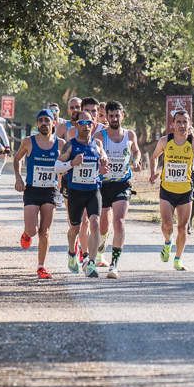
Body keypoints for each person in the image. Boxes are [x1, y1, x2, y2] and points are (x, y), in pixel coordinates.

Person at [149, 110, 194, 271]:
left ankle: (178, 259)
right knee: (167, 225)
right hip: (167, 190)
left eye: (185, 122)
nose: (182, 125)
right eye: (179, 122)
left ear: (189, 124)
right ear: (173, 124)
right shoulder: (165, 141)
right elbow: (154, 157)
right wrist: (153, 173)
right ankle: (168, 242)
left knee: (182, 228)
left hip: (185, 191)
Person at [54, 111, 109, 278]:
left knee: (95, 223)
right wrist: (72, 163)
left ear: (93, 125)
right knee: (75, 229)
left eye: (89, 123)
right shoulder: (70, 145)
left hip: (93, 190)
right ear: (76, 125)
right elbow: (57, 167)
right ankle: (72, 253)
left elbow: (103, 160)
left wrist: (103, 166)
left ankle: (91, 263)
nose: (86, 126)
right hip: (75, 192)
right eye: (82, 123)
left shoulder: (98, 144)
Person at [14, 109, 64, 280]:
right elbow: (17, 158)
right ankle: (26, 234)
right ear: (37, 124)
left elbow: (67, 165)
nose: (44, 123)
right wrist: (19, 178)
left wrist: (63, 185)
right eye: (40, 120)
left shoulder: (61, 144)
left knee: (45, 231)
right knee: (33, 230)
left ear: (53, 123)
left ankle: (41, 267)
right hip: (32, 190)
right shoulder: (28, 141)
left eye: (47, 120)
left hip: (50, 191)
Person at [94, 101, 142, 278]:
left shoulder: (129, 135)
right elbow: (98, 148)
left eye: (117, 115)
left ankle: (114, 264)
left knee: (119, 221)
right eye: (111, 115)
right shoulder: (100, 135)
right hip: (104, 183)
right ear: (106, 116)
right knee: (103, 224)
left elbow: (136, 151)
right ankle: (101, 248)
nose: (114, 118)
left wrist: (136, 160)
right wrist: (103, 155)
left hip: (122, 183)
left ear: (123, 115)